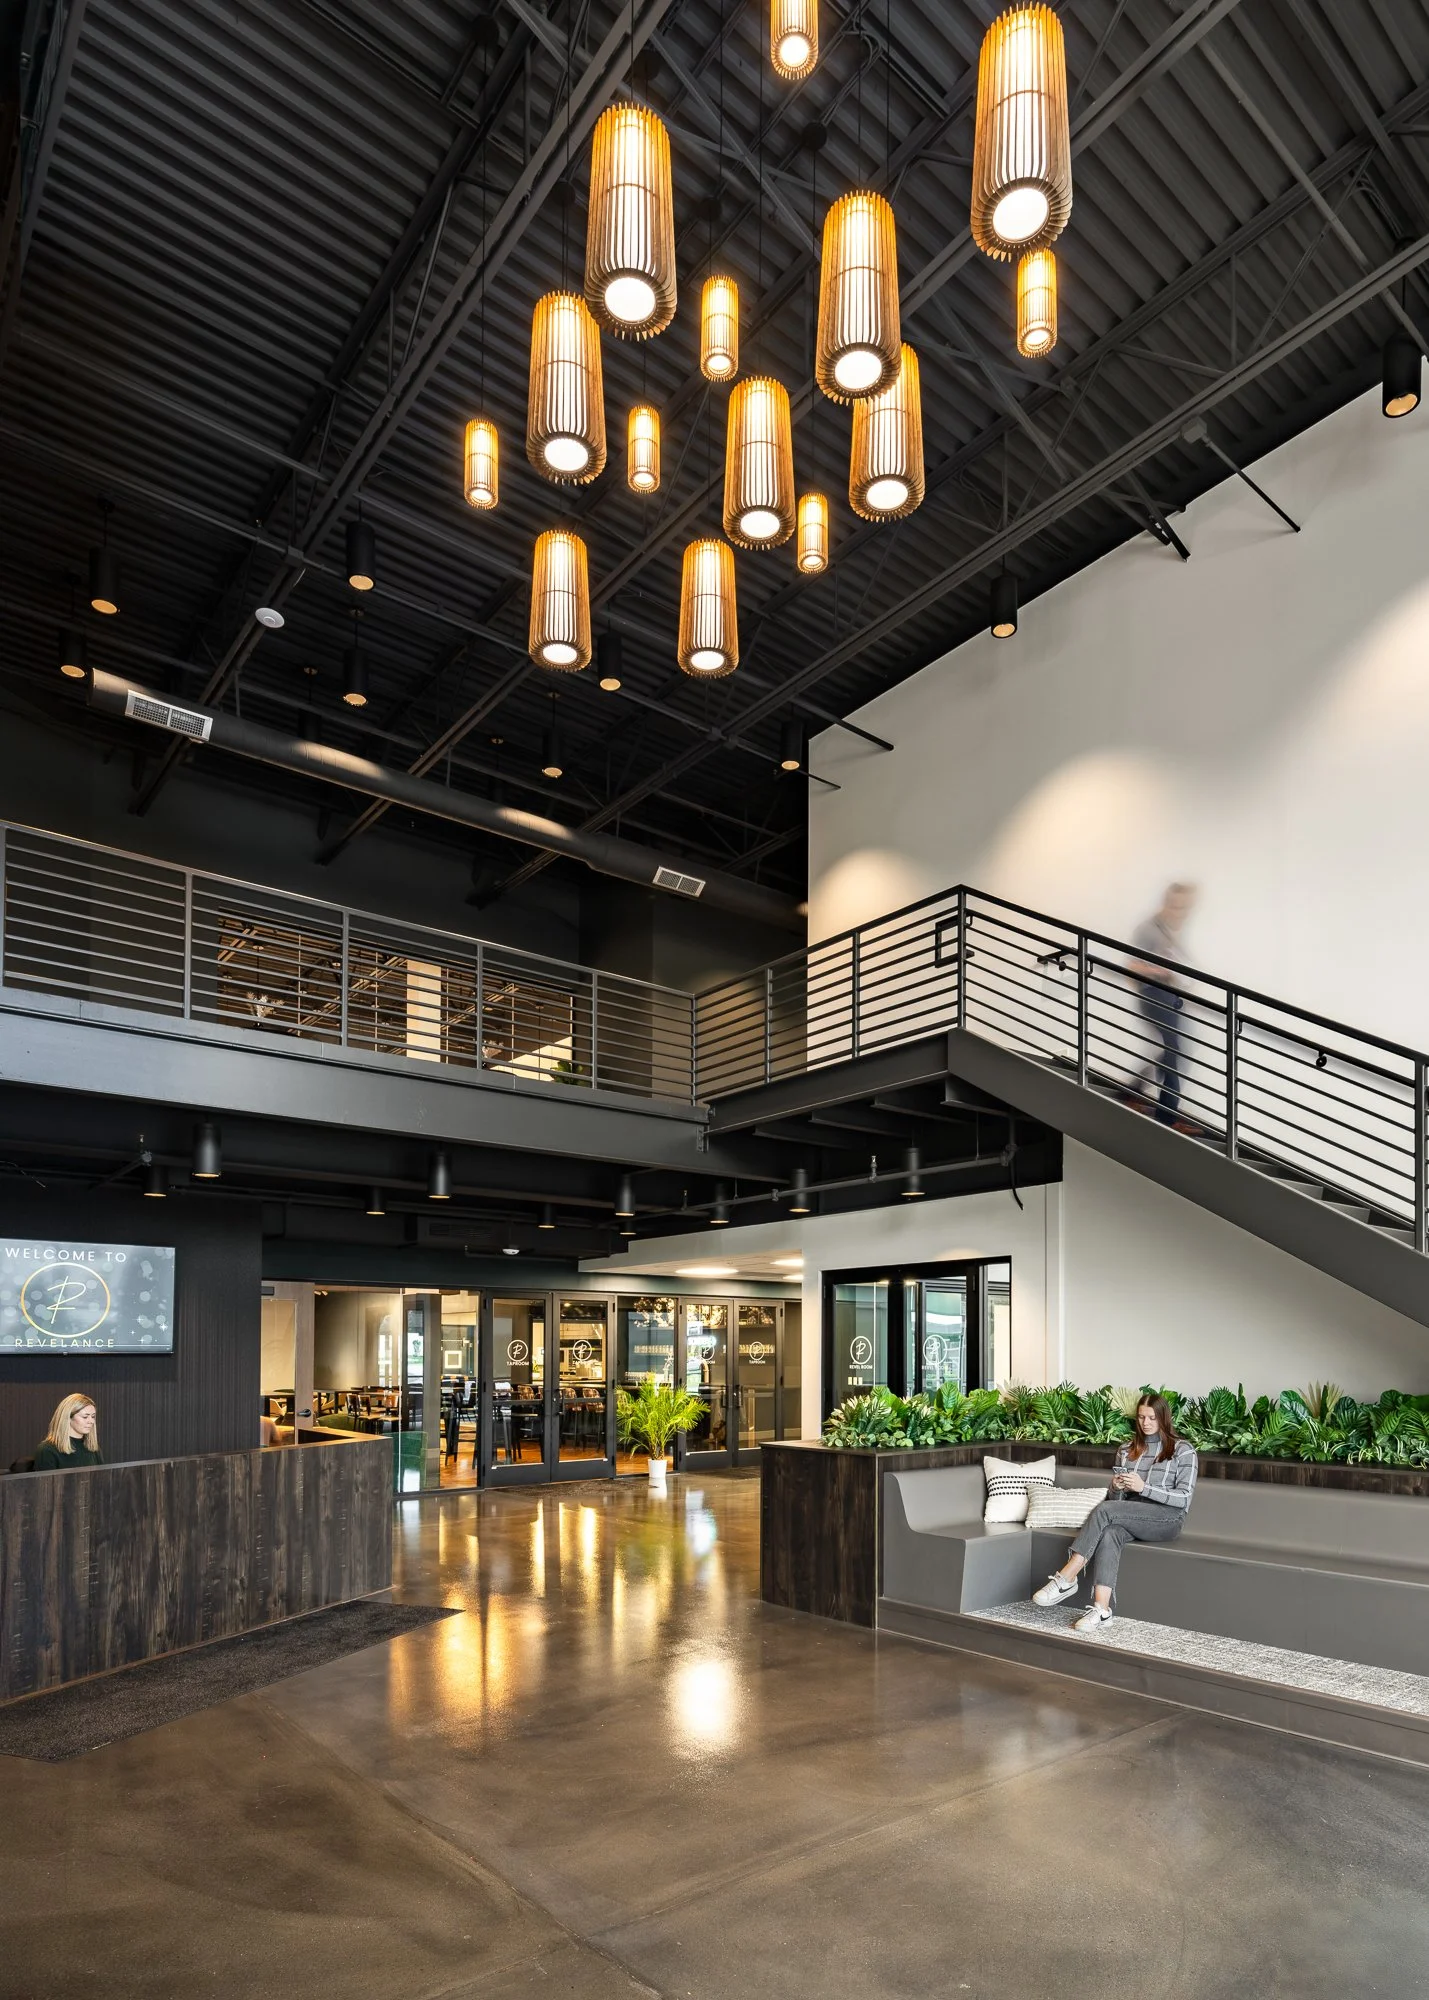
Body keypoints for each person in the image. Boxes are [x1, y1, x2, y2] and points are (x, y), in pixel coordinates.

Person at [1031, 1393, 1198, 1632]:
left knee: (1106, 1512)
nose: (1146, 1423)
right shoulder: (1127, 1449)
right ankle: (1102, 1610)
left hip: (1167, 1518)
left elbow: (1183, 1498)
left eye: (1152, 1417)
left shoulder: (1183, 1451)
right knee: (1110, 1532)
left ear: (1163, 1418)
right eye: (1141, 1417)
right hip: (1130, 1514)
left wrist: (1144, 1488)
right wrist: (1116, 1488)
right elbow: (1117, 1502)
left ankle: (1067, 1577)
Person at [1127, 882, 1197, 1125]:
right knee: (1174, 1050)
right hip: (1153, 995)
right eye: (1176, 906)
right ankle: (1167, 1116)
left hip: (1169, 996)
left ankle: (1133, 1091)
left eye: (1184, 908)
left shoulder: (1169, 932)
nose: (1180, 912)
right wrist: (1161, 971)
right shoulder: (1149, 929)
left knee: (1171, 1051)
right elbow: (1132, 966)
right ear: (1167, 902)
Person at [33, 1394, 103, 1470]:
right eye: (85, 1417)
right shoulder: (47, 1451)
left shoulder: (93, 1449)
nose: (91, 1421)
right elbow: (46, 1482)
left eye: (93, 1416)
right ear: (68, 1418)